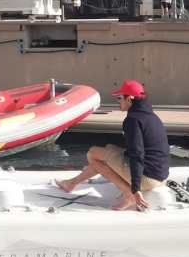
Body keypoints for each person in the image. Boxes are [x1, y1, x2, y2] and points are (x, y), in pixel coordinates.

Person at [55, 79, 170, 210]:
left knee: (93, 154)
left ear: (129, 100)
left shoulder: (132, 120)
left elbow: (137, 154)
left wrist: (135, 188)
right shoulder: (151, 116)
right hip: (160, 175)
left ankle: (128, 194)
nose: (118, 101)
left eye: (120, 98)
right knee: (108, 149)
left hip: (147, 178)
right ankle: (71, 183)